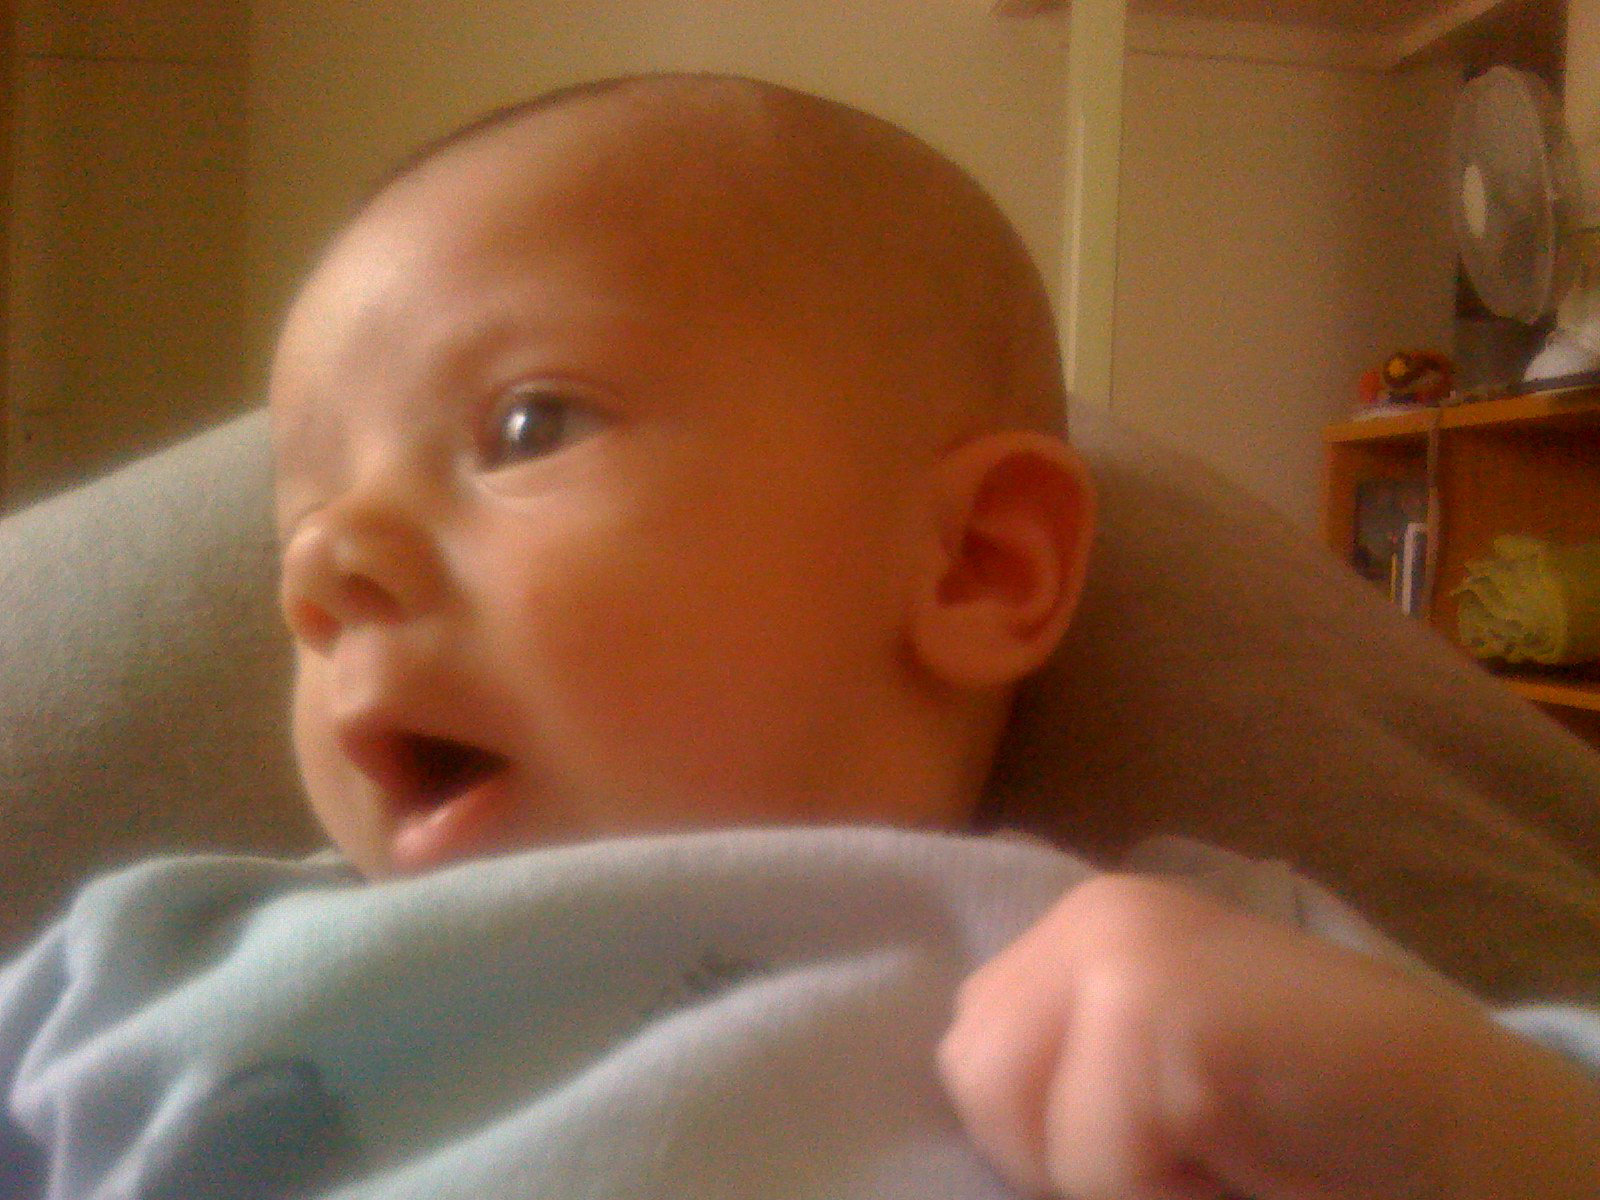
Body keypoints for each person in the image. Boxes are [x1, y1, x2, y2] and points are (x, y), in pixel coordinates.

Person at [2, 73, 1596, 1199]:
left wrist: (1463, 1114)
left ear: (975, 562)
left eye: (527, 424)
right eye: (294, 532)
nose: (325, 570)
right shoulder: (139, 964)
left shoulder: (1171, 956)